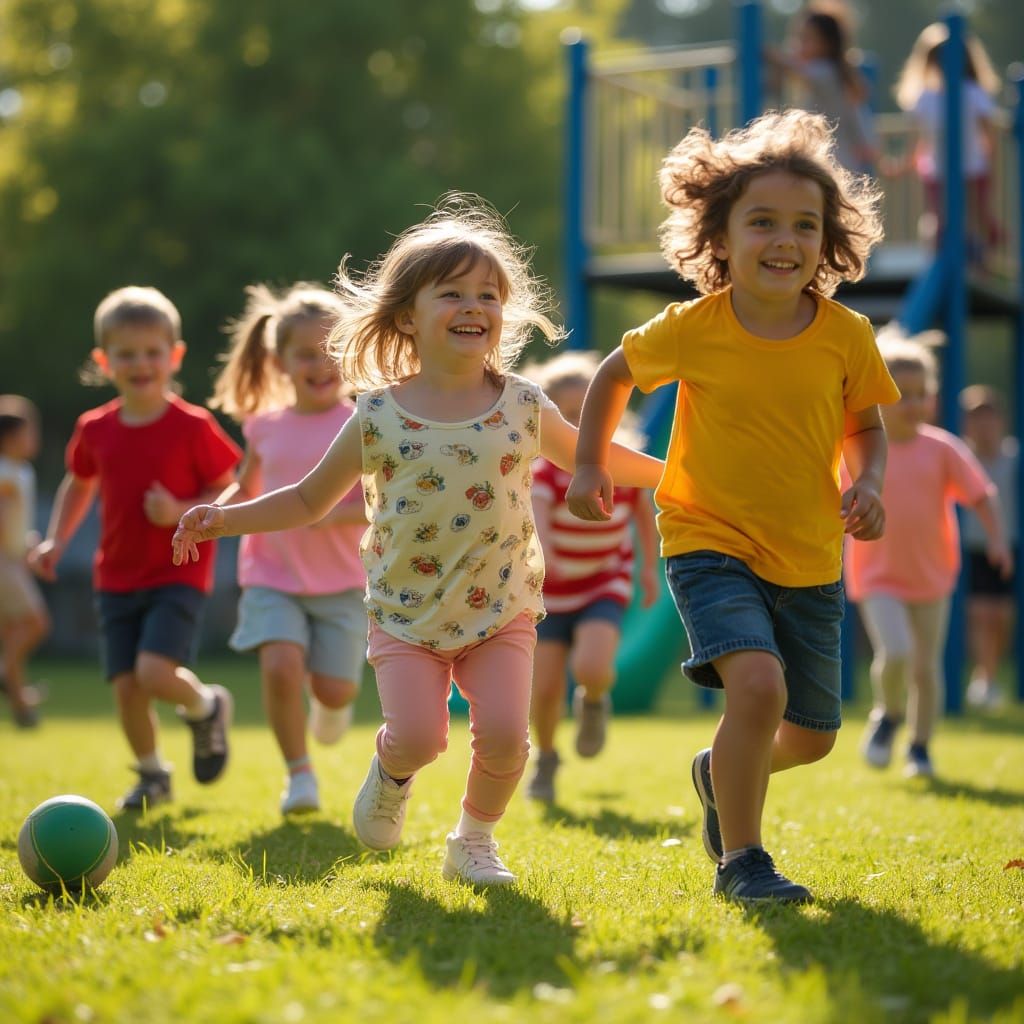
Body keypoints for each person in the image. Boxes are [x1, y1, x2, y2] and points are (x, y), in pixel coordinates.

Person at [173, 195, 664, 887]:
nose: (474, 306)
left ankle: (474, 840)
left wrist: (680, 476)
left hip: (503, 605)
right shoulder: (378, 416)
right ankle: (391, 770)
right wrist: (223, 518)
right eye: (453, 293)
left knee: (504, 738)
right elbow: (310, 499)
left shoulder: (523, 403)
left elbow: (599, 454)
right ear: (408, 315)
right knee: (420, 738)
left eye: (488, 294)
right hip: (406, 612)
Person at [567, 110, 900, 904]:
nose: (784, 240)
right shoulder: (693, 328)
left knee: (813, 736)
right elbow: (614, 374)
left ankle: (720, 771)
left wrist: (872, 481)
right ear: (720, 236)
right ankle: (744, 864)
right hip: (706, 537)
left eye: (803, 225)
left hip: (810, 550)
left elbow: (867, 429)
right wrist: (587, 464)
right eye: (762, 222)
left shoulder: (847, 336)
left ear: (829, 241)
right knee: (756, 688)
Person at [29, 286, 241, 810]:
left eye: (152, 352)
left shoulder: (193, 426)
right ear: (105, 361)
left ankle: (205, 705)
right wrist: (58, 537)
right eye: (126, 353)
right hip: (116, 576)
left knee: (153, 672)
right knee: (127, 688)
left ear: (175, 356)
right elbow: (79, 484)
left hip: (179, 570)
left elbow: (230, 486)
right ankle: (152, 775)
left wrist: (181, 510)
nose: (140, 363)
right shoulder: (94, 428)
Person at [209, 283, 367, 815]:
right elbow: (247, 487)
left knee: (336, 690)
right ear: (280, 362)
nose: (320, 365)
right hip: (271, 574)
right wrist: (218, 512)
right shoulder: (265, 426)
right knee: (279, 666)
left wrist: (331, 512)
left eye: (331, 353)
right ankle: (299, 776)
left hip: (344, 580)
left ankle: (330, 707)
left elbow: (386, 502)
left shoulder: (362, 424)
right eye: (305, 354)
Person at [849, 333, 1011, 778]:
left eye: (922, 395)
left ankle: (919, 748)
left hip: (933, 575)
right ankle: (888, 715)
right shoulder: (859, 451)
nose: (914, 404)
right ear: (876, 397)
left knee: (926, 666)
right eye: (903, 396)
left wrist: (997, 540)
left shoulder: (941, 448)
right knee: (896, 651)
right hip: (876, 573)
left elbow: (982, 495)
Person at [520, 351, 659, 804]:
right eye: (569, 416)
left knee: (592, 667)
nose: (580, 428)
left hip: (604, 580)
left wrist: (650, 572)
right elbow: (536, 513)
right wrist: (546, 551)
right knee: (543, 690)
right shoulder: (546, 471)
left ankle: (594, 699)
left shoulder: (623, 469)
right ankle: (545, 756)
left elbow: (643, 520)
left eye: (589, 415)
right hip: (552, 590)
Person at [894, 21, 1002, 263]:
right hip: (938, 170)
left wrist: (990, 166)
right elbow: (919, 141)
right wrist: (904, 165)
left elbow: (988, 136)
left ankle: (979, 264)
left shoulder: (973, 92)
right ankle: (940, 264)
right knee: (939, 220)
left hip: (973, 168)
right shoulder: (925, 98)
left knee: (974, 219)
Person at [765, 2, 878, 173]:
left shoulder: (826, 71)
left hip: (835, 160)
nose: (798, 44)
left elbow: (794, 67)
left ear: (827, 44)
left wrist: (769, 54)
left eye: (806, 39)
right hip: (837, 158)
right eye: (798, 38)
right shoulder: (838, 72)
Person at [959, 385, 1018, 710]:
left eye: (989, 416)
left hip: (1010, 545)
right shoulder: (962, 456)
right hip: (973, 546)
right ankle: (984, 681)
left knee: (1003, 615)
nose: (983, 425)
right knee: (980, 613)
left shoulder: (1014, 456)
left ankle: (988, 678)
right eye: (975, 418)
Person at [0, 395, 50, 727]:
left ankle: (21, 706)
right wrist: (15, 555)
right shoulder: (6, 472)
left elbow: (16, 521)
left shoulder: (20, 471)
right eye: (29, 432)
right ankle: (4, 672)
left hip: (13, 558)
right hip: (5, 562)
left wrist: (28, 544)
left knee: (11, 631)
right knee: (36, 624)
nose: (34, 439)